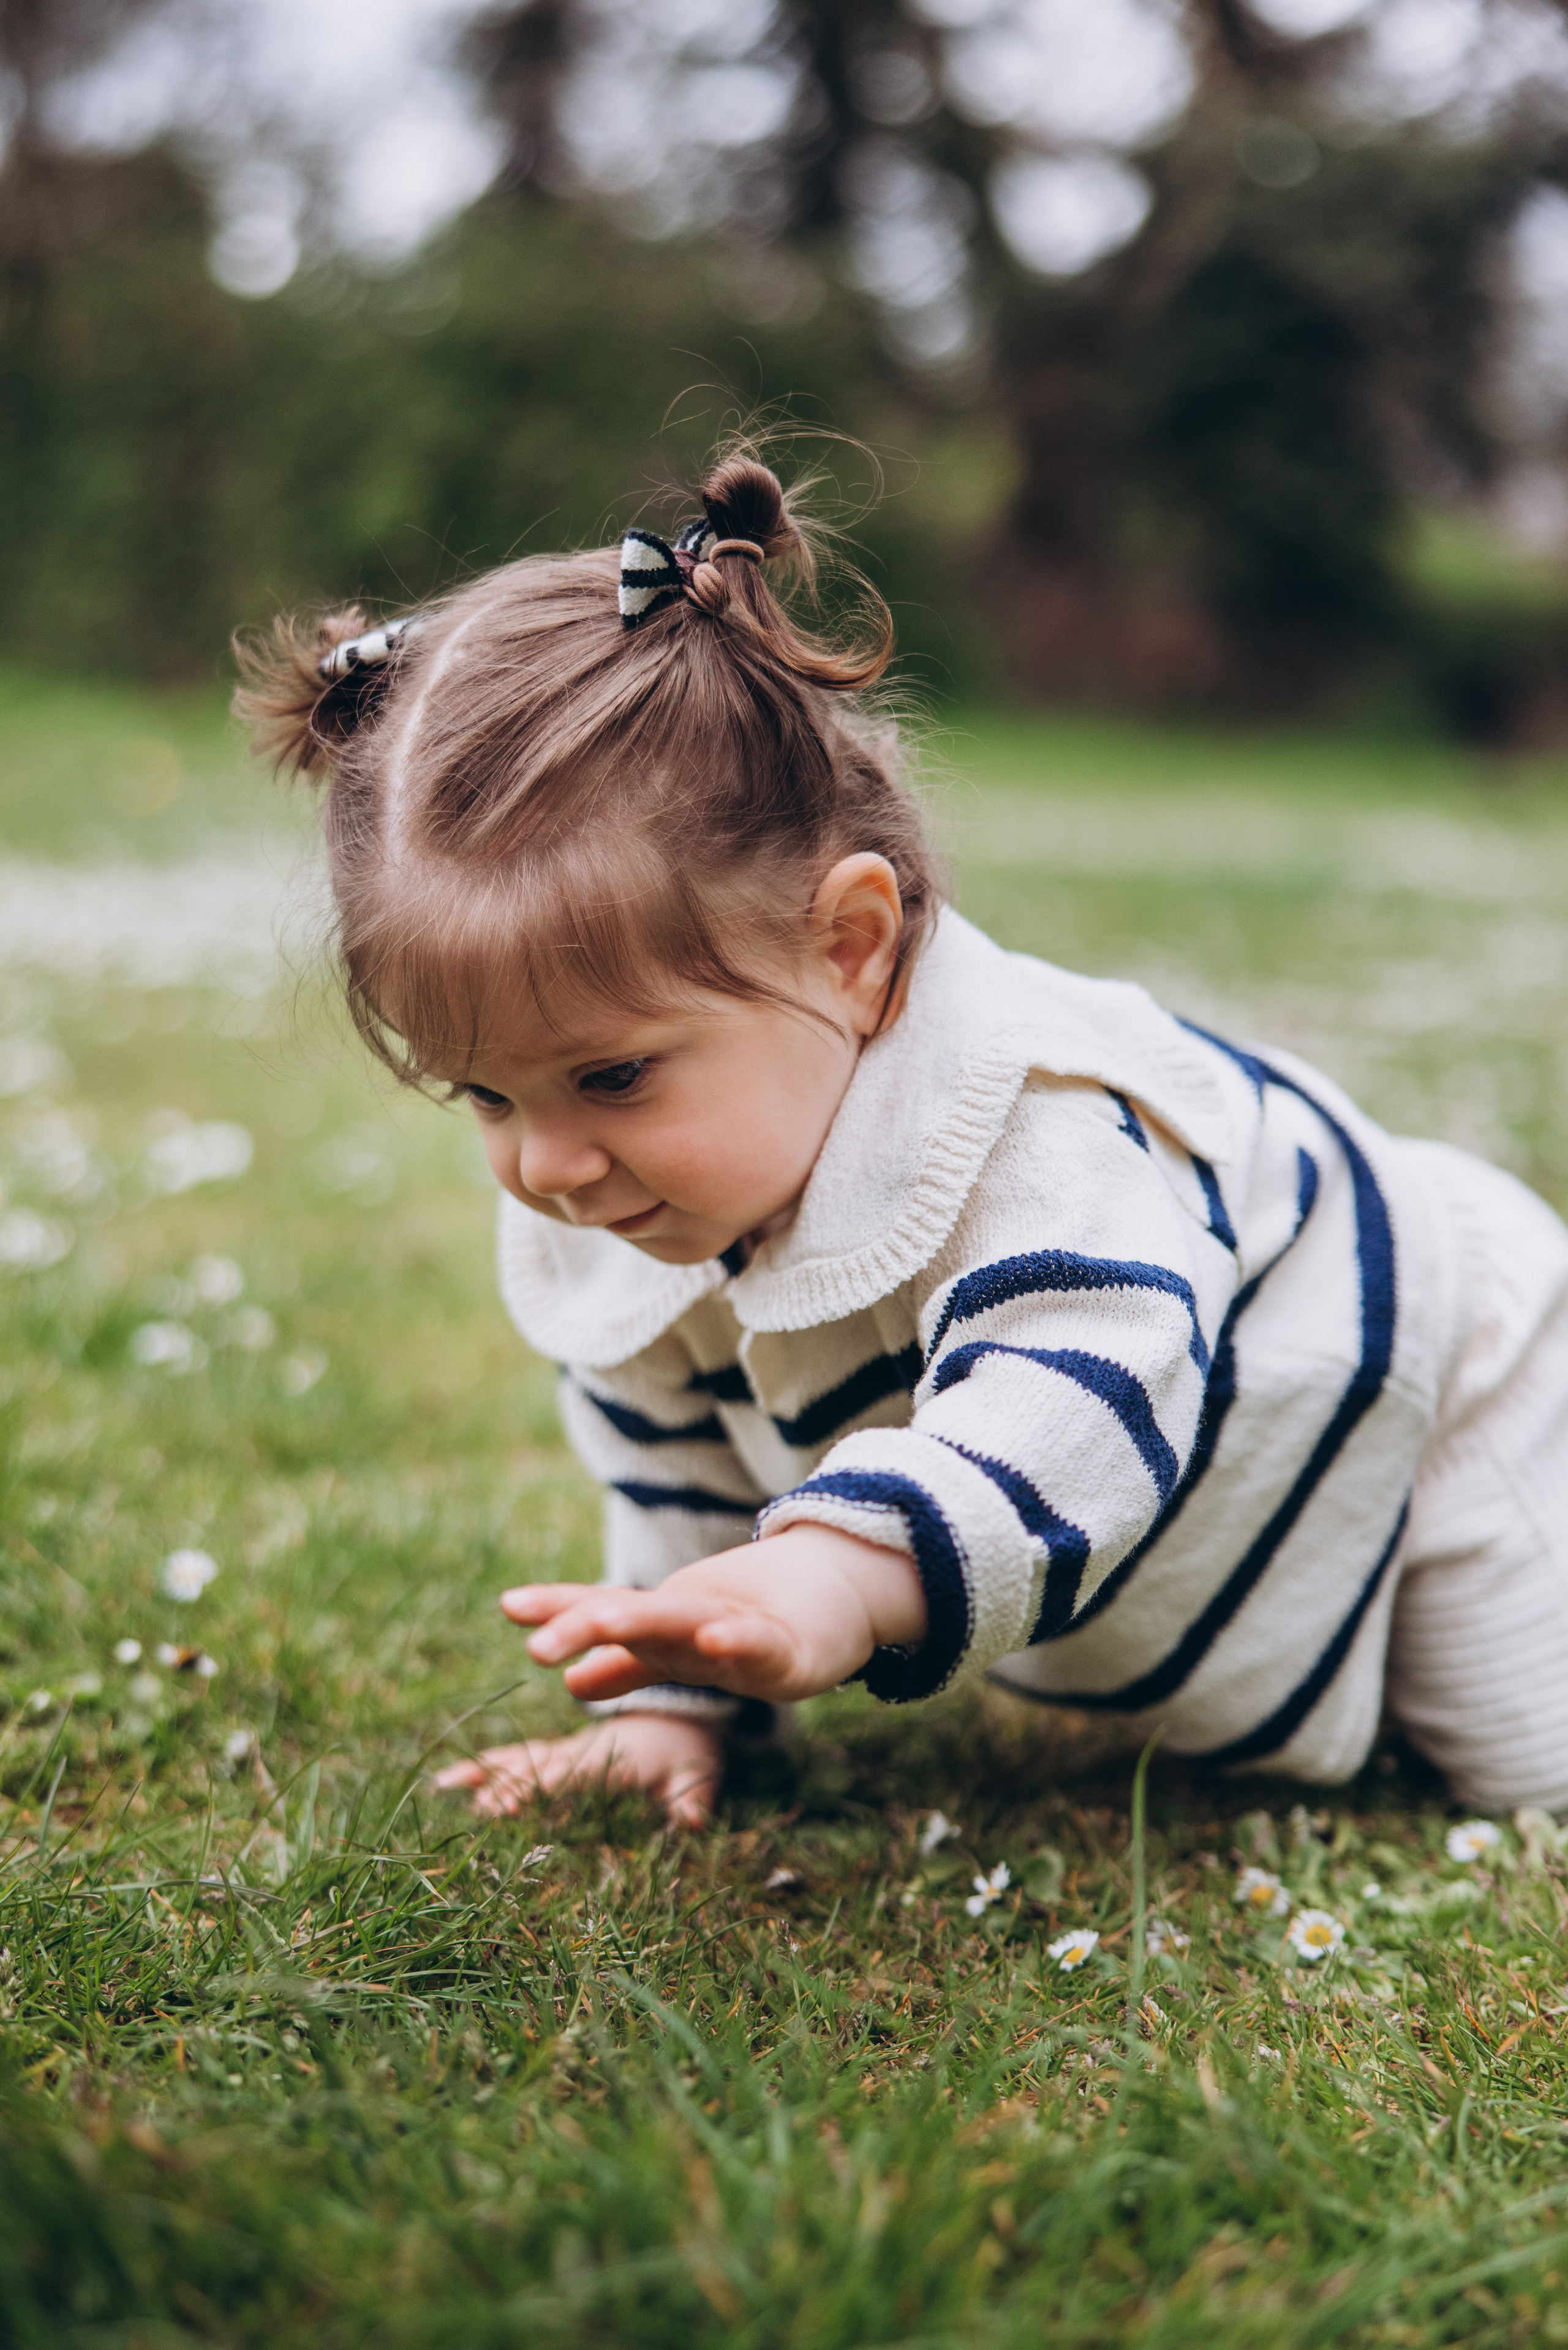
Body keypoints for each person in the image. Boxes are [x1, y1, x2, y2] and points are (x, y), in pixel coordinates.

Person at [238, 447, 1568, 1831]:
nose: (549, 1165)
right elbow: (678, 1458)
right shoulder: (637, 1193)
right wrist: (670, 1694)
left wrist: (832, 1573)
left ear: (851, 949)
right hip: (1238, 1489)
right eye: (488, 1098)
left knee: (1527, 1766)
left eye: (615, 1074)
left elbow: (1073, 1391)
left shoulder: (1034, 1124)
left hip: (1451, 1380)